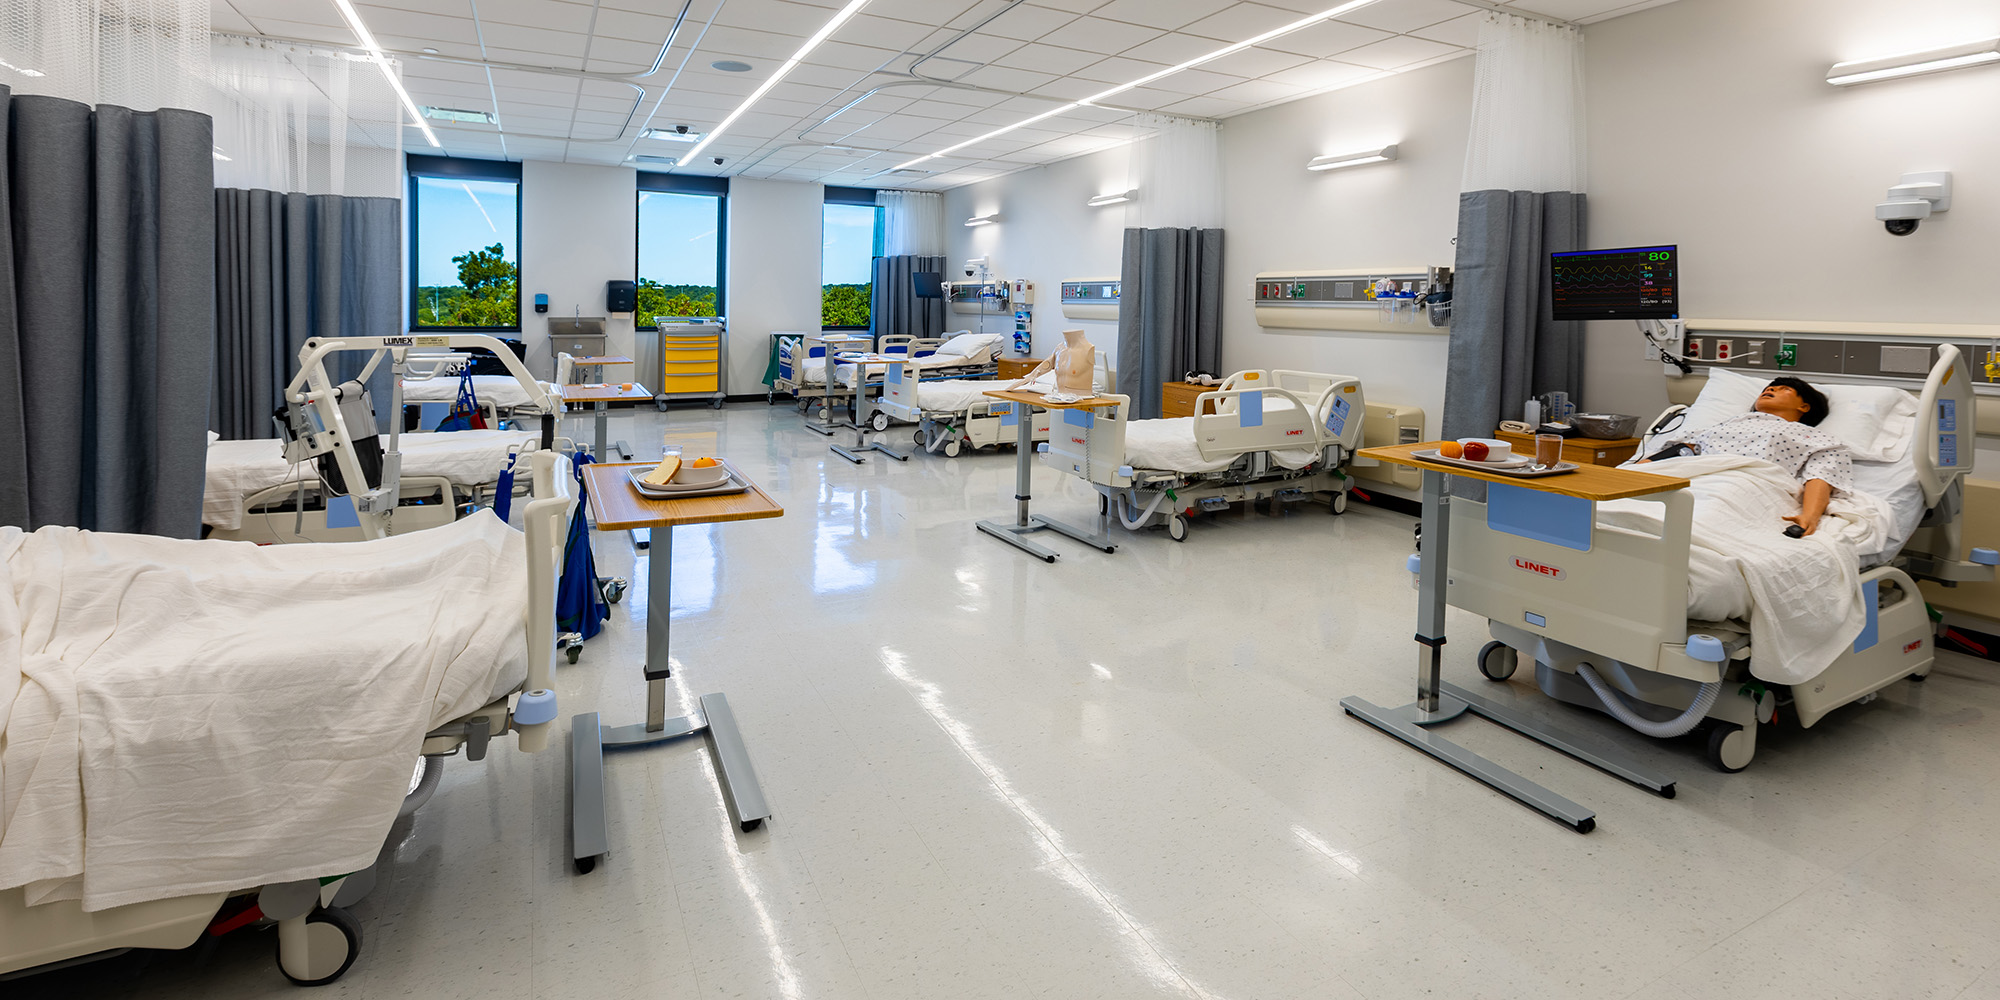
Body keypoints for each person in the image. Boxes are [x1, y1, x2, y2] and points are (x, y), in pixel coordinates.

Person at [1640, 377, 1851, 536]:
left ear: (1804, 407)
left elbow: (1820, 477)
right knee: (1631, 503)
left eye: (1784, 389)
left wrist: (1810, 516)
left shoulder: (1814, 437)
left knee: (1693, 521)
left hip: (1742, 483)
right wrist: (1641, 467)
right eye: (1769, 388)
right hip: (1690, 477)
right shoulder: (1727, 424)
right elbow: (1687, 448)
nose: (1771, 389)